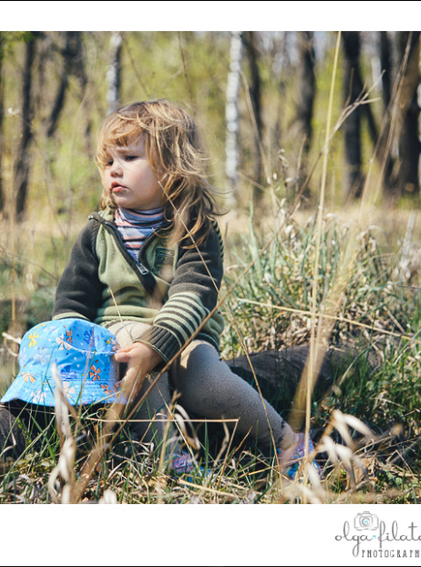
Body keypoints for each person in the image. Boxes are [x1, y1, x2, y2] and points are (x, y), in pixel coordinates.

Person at [51, 99, 319, 479]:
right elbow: (72, 299)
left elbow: (193, 295)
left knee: (206, 379)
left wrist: (156, 345)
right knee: (131, 351)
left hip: (186, 338)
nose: (114, 171)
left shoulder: (195, 230)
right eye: (108, 161)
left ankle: (287, 442)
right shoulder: (97, 232)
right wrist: (68, 343)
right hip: (116, 340)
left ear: (171, 167)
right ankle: (170, 462)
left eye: (128, 158)